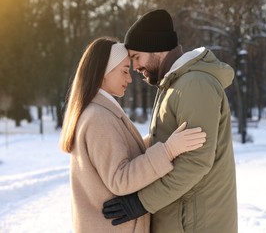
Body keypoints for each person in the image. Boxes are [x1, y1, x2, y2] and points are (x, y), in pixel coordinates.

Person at [102, 10, 238, 233]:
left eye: (136, 57)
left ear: (156, 48)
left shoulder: (195, 84)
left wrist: (141, 203)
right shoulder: (174, 86)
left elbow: (195, 163)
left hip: (196, 224)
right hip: (181, 221)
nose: (135, 68)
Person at [60, 36, 206, 233]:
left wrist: (162, 138)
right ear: (104, 71)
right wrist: (169, 150)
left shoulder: (100, 112)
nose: (129, 78)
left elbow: (124, 153)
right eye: (124, 71)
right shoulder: (98, 118)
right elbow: (121, 179)